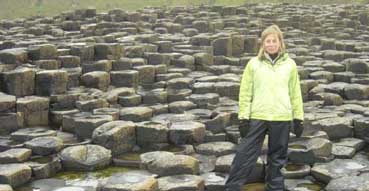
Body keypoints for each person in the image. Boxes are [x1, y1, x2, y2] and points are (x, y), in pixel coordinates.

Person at [225, 24, 304, 191]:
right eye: (267, 41)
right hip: (258, 116)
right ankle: (232, 187)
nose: (270, 44)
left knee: (277, 158)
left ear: (280, 42)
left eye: (273, 40)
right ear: (262, 44)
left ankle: (275, 187)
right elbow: (245, 93)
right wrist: (243, 118)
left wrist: (298, 118)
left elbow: (295, 93)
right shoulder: (253, 64)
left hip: (281, 118)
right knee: (244, 154)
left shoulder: (290, 65)